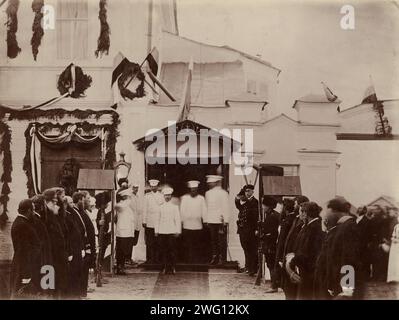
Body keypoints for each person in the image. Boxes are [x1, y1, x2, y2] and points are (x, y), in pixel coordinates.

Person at [324, 198, 362, 299]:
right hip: (340, 282)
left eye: (327, 211)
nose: (326, 215)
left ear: (335, 211)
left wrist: (347, 288)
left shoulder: (349, 227)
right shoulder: (343, 227)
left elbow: (349, 259)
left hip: (345, 286)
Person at [291, 202, 324, 299]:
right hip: (305, 269)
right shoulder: (308, 226)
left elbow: (306, 251)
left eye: (300, 212)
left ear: (306, 213)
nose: (299, 214)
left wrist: (292, 261)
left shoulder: (313, 228)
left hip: (309, 272)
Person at [10, 199, 41, 299]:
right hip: (24, 268)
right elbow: (24, 251)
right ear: (28, 210)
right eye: (33, 210)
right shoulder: (22, 225)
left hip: (24, 267)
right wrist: (26, 274)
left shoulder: (22, 223)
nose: (34, 213)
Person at [281, 195, 309, 299]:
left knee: (293, 290)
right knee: (288, 288)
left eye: (296, 204)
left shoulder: (303, 222)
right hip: (289, 258)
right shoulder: (295, 219)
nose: (294, 206)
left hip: (294, 259)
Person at [43, 188, 68, 298]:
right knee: (50, 288)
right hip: (51, 258)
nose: (56, 205)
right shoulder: (44, 217)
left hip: (58, 257)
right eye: (54, 202)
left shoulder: (54, 215)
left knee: (58, 285)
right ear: (46, 201)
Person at [155, 187, 181, 274]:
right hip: (162, 231)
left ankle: (173, 267)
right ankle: (164, 267)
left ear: (171, 196)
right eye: (166, 195)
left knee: (172, 250)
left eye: (169, 195)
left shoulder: (175, 207)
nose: (167, 197)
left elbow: (177, 219)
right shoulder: (160, 207)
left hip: (172, 231)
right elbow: (157, 219)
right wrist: (156, 230)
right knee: (163, 250)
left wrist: (178, 231)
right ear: (163, 196)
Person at [204, 175, 230, 265]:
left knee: (221, 241)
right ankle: (214, 257)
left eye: (211, 182)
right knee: (213, 240)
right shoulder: (208, 193)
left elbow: (226, 207)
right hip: (211, 219)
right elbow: (206, 207)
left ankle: (221, 258)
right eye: (209, 183)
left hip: (220, 220)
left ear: (216, 183)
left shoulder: (223, 193)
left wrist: (226, 220)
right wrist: (206, 219)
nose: (209, 184)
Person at [30, 195, 53, 297]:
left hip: (43, 256)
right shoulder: (37, 221)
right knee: (44, 285)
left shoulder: (38, 220)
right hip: (42, 257)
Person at [180, 180, 207, 263]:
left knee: (197, 243)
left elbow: (204, 210)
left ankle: (196, 259)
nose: (193, 191)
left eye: (195, 189)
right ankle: (188, 259)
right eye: (192, 190)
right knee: (187, 243)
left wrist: (205, 220)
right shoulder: (185, 198)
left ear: (197, 190)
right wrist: (181, 221)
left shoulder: (201, 198)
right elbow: (182, 210)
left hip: (197, 224)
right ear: (189, 190)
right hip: (187, 225)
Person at [235, 184, 258, 275]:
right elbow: (239, 206)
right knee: (245, 248)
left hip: (250, 229)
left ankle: (252, 268)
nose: (247, 193)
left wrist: (256, 228)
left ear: (252, 191)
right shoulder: (245, 202)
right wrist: (239, 195)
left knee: (251, 249)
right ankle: (248, 266)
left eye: (249, 191)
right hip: (242, 229)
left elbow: (255, 217)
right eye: (246, 191)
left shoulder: (255, 202)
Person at [64, 195, 85, 298]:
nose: (72, 205)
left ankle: (77, 293)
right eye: (70, 203)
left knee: (77, 272)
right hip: (73, 248)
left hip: (77, 248)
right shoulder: (68, 215)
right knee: (74, 272)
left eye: (72, 202)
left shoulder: (71, 214)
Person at [260, 195, 280, 293]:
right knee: (271, 265)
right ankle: (274, 284)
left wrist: (262, 236)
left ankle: (274, 286)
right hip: (270, 244)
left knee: (271, 265)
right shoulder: (273, 214)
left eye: (264, 205)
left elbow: (272, 233)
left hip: (271, 245)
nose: (263, 207)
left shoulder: (272, 216)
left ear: (268, 206)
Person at [115, 189, 136, 275]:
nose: (129, 199)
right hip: (122, 232)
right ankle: (120, 267)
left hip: (128, 231)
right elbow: (118, 207)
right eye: (128, 197)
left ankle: (122, 266)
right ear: (124, 197)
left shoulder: (129, 206)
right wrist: (127, 201)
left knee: (125, 250)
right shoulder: (121, 205)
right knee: (121, 251)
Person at [274, 198, 295, 286]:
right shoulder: (286, 219)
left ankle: (277, 283)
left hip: (283, 245)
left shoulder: (289, 220)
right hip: (281, 243)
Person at [143, 179, 164, 263]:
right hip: (150, 221)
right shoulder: (147, 196)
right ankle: (150, 259)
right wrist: (144, 220)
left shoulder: (161, 195)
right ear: (150, 187)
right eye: (152, 186)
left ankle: (158, 259)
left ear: (157, 186)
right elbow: (145, 209)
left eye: (155, 186)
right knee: (150, 241)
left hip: (158, 221)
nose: (153, 187)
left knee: (158, 241)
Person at [356, 206, 372, 281]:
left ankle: (366, 276)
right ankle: (359, 276)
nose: (360, 210)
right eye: (359, 208)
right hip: (357, 242)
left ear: (365, 211)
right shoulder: (356, 219)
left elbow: (369, 233)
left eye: (362, 209)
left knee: (365, 259)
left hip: (364, 243)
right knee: (358, 258)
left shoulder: (367, 221)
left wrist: (368, 242)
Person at [129, 184, 142, 265]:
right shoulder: (129, 197)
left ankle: (129, 258)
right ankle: (128, 258)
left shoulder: (138, 197)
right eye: (134, 188)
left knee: (134, 242)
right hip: (130, 222)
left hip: (137, 222)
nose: (136, 189)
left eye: (137, 188)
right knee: (129, 241)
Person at [387, 214, 399, 283]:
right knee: (394, 260)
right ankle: (393, 277)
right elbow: (393, 235)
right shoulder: (396, 226)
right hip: (395, 245)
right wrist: (393, 239)